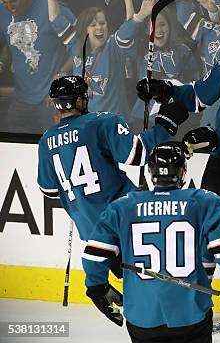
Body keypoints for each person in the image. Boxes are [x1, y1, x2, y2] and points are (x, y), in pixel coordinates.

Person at [137, 17, 220, 283]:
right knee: (206, 224)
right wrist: (165, 89)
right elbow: (197, 97)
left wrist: (214, 136)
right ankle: (200, 291)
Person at [81, 141, 220, 343]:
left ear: (151, 171)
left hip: (142, 318)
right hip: (190, 316)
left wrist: (97, 288)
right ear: (182, 171)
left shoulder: (122, 207)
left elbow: (94, 257)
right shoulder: (205, 201)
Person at [37, 75, 188, 275]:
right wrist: (164, 124)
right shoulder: (102, 122)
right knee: (160, 271)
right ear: (81, 100)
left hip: (93, 232)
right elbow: (138, 154)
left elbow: (49, 190)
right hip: (127, 217)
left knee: (133, 280)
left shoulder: (46, 140)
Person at [43, 0, 157, 119]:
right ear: (84, 29)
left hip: (114, 124)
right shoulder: (77, 44)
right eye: (93, 24)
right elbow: (55, 18)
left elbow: (127, 31)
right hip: (86, 121)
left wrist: (134, 8)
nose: (99, 28)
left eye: (102, 23)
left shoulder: (112, 46)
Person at [0, 0, 75, 134]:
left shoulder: (52, 7)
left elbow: (81, 47)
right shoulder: (2, 13)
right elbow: (4, 45)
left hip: (51, 100)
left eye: (14, 0)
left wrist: (62, 73)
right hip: (20, 100)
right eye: (5, 2)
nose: (10, 7)